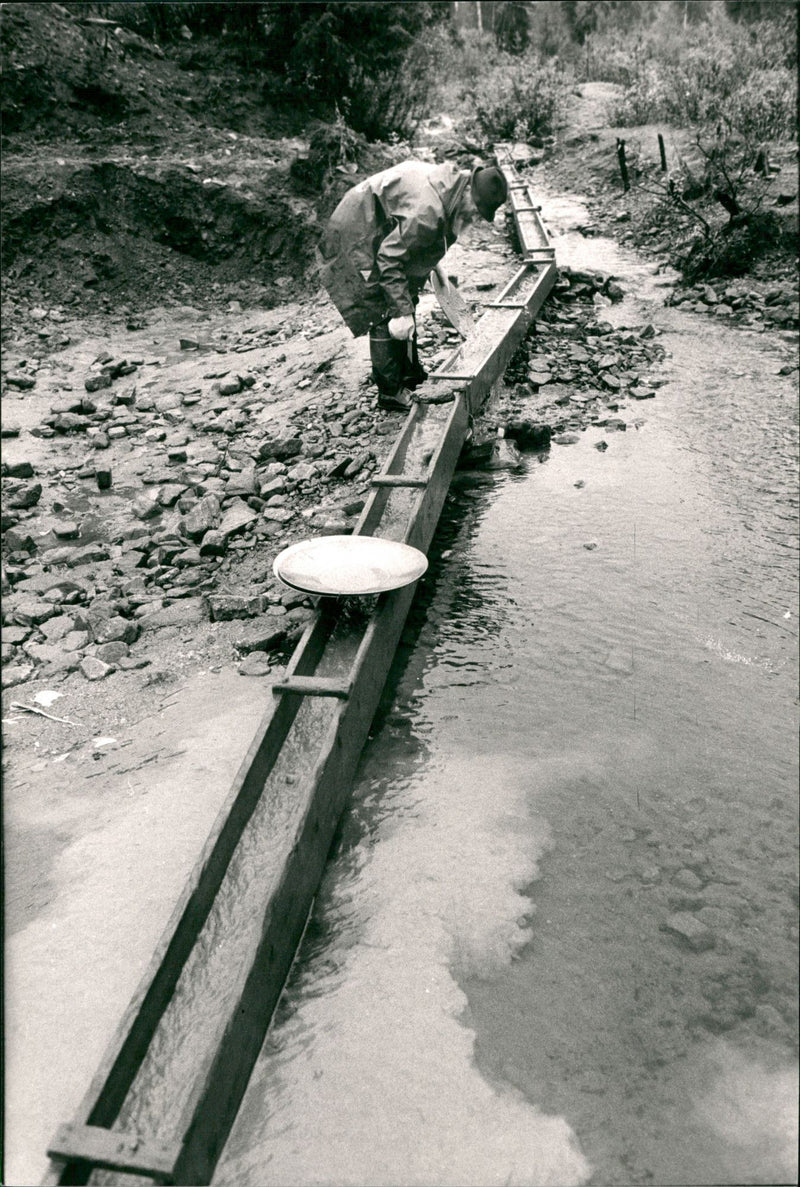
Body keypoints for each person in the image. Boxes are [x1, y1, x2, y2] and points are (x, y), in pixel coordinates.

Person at [319, 159, 508, 411]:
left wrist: (432, 265)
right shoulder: (429, 210)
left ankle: (410, 374)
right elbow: (390, 257)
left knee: (405, 297)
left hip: (379, 224)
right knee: (383, 308)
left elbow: (418, 241)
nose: (475, 216)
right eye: (477, 209)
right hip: (358, 231)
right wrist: (401, 312)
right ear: (468, 192)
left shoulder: (451, 187)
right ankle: (390, 391)